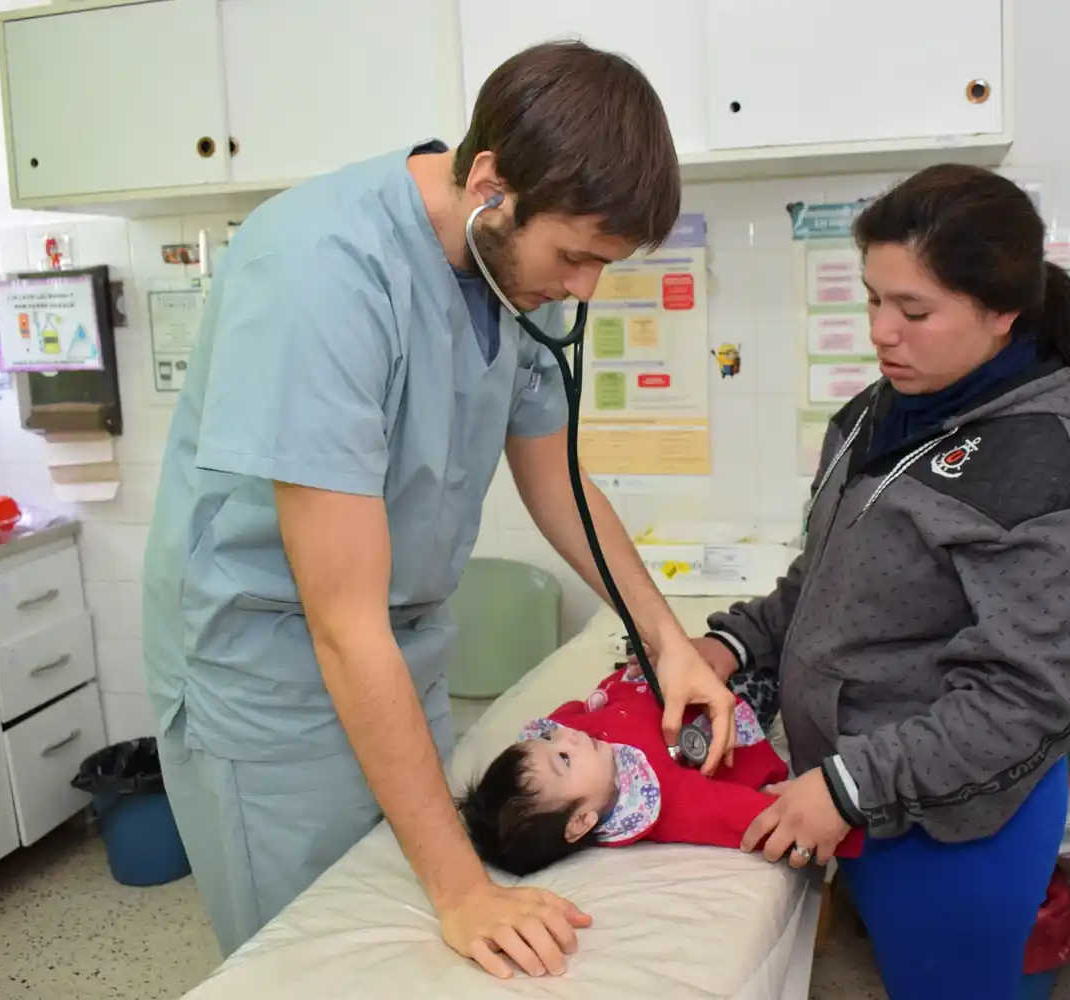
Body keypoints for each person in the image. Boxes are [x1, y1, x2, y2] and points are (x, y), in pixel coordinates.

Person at [141, 41, 739, 982]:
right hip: (272, 671)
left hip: (398, 649)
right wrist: (465, 891)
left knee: (411, 936)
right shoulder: (322, 272)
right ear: (492, 185)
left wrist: (667, 642)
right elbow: (342, 624)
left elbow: (561, 484)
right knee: (322, 958)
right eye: (577, 256)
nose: (585, 288)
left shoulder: (508, 274)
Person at [687, 164, 1070, 998]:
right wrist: (731, 643)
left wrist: (850, 789)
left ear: (1002, 314)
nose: (882, 333)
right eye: (872, 300)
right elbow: (825, 585)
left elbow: (1022, 701)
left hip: (956, 828)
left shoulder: (1043, 469)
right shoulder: (874, 414)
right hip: (856, 798)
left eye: (914, 311)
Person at [457, 664, 864, 876]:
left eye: (548, 740)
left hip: (674, 678)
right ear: (581, 821)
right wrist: (838, 816)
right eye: (562, 758)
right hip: (726, 708)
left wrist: (630, 674)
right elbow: (735, 814)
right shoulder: (659, 799)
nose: (567, 738)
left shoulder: (577, 743)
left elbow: (581, 709)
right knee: (782, 670)